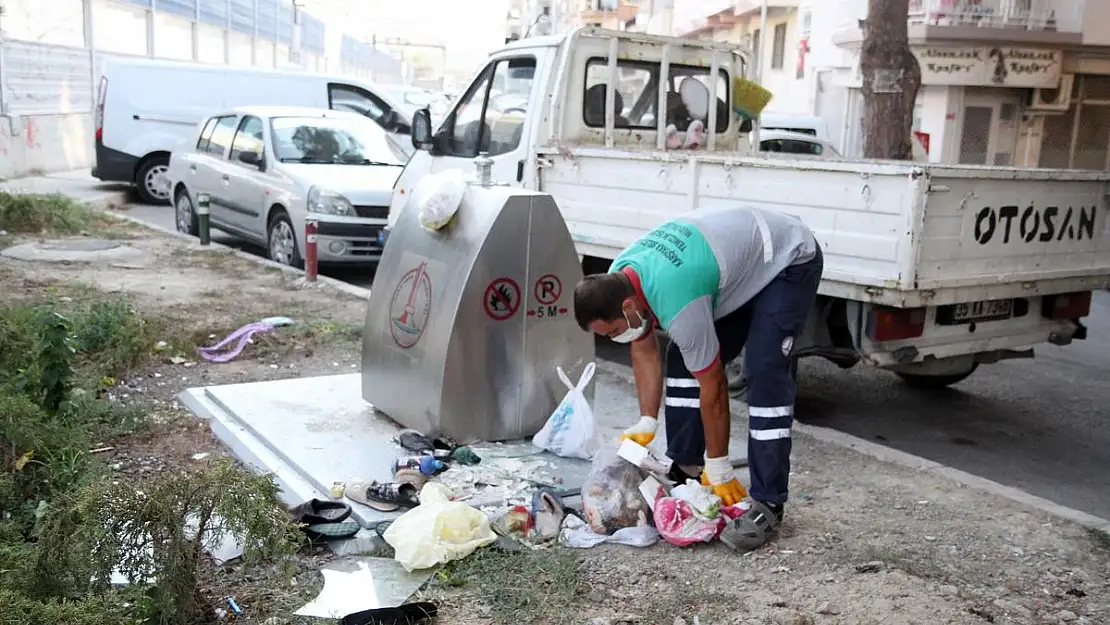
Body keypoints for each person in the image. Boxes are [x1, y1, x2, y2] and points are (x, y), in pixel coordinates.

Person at [573, 203, 823, 551]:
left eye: (614, 330)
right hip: (734, 267)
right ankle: (686, 469)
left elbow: (715, 385)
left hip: (786, 259)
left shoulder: (675, 297)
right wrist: (647, 420)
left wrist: (719, 464)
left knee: (765, 370)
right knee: (681, 359)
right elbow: (643, 348)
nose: (615, 337)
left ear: (628, 307)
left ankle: (769, 503)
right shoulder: (620, 276)